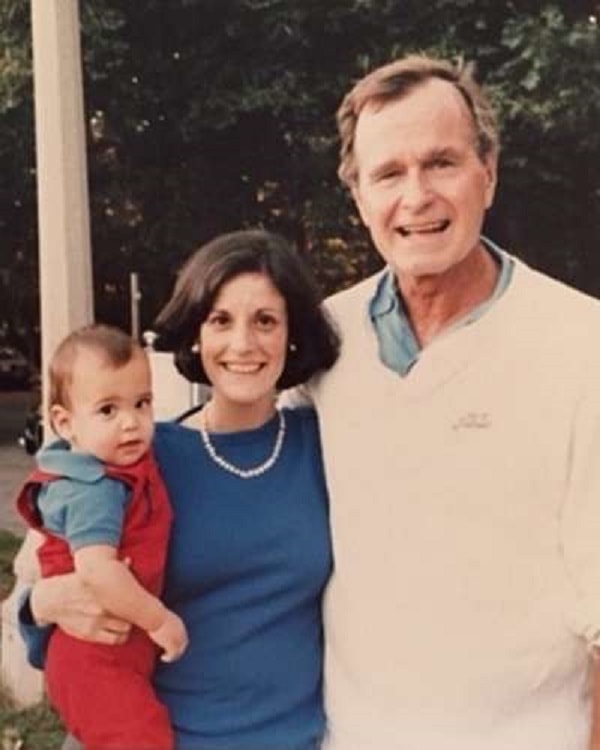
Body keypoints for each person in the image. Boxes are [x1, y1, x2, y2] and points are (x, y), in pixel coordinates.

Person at [291, 54, 600, 749]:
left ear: (487, 173)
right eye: (389, 173)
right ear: (359, 198)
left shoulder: (583, 344)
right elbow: (202, 475)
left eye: (442, 163)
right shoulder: (316, 343)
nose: (417, 196)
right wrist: (52, 581)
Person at [19, 229, 340, 750]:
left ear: (292, 334)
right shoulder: (136, 457)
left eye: (265, 321)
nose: (243, 344)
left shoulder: (324, 446)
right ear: (196, 332)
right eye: (221, 320)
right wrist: (39, 605)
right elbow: (51, 577)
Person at [15, 324, 188, 749]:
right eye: (108, 410)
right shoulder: (94, 488)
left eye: (142, 403)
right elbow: (97, 572)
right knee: (140, 739)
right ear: (65, 422)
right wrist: (158, 619)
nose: (131, 423)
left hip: (118, 655)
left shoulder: (128, 465)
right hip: (91, 657)